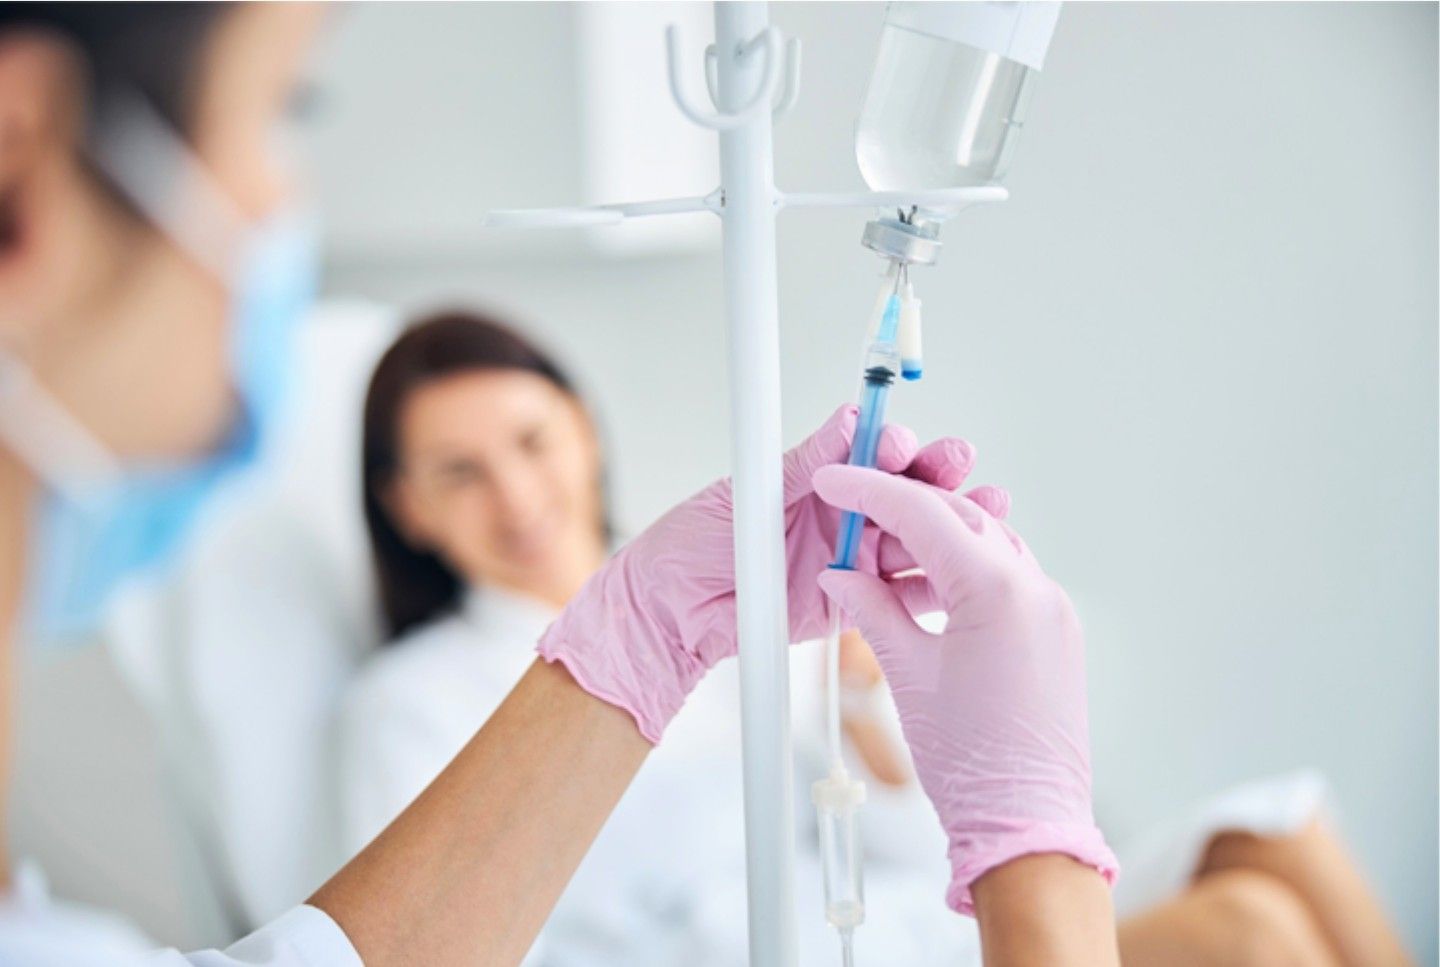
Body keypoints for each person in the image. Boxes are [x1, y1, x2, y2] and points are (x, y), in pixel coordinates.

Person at [0, 5, 1125, 965]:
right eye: (279, 108)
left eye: (532, 441)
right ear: (21, 171)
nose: (275, 209)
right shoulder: (409, 702)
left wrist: (660, 627)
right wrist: (1031, 838)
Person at [340, 312, 1418, 967]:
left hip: (905, 914)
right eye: (458, 471)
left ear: (582, 427)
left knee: (1283, 828)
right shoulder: (415, 700)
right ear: (407, 507)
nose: (518, 493)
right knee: (1252, 932)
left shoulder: (740, 590)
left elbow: (905, 849)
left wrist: (867, 707)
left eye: (531, 440)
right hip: (796, 951)